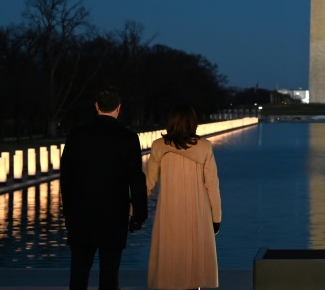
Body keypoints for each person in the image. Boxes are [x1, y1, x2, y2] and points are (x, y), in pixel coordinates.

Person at [60, 86, 148, 290]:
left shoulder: (77, 135)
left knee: (79, 271)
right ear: (119, 108)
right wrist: (139, 214)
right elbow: (135, 178)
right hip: (114, 212)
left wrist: (67, 211)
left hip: (81, 211)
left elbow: (67, 177)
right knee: (110, 272)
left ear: (96, 107)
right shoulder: (128, 138)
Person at [146, 104, 222, 290]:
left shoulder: (158, 147)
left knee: (169, 262)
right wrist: (216, 218)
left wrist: (134, 209)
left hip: (168, 214)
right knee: (193, 266)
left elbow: (148, 183)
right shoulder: (204, 147)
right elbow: (212, 186)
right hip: (197, 214)